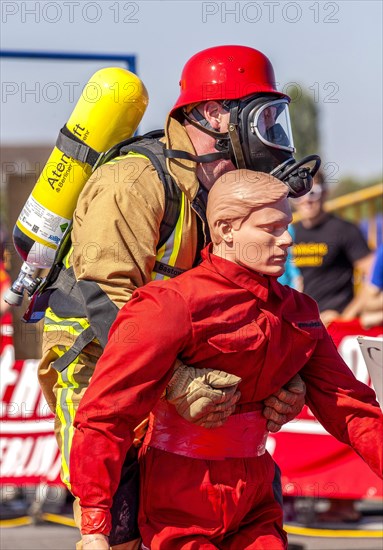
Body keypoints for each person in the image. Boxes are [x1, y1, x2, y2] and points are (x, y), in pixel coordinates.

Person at [37, 45, 318, 549]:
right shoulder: (133, 180)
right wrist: (176, 379)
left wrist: (282, 375)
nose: (271, 135)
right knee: (115, 525)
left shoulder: (221, 191)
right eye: (261, 117)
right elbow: (105, 294)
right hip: (99, 371)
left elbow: (246, 298)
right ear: (213, 114)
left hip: (173, 377)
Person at [70, 170, 383, 550]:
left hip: (257, 499)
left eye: (287, 226)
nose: (287, 239)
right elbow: (106, 414)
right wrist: (95, 524)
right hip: (178, 499)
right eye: (271, 227)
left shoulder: (299, 311)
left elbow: (352, 410)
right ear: (225, 229)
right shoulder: (170, 305)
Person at [292, 171, 374, 326]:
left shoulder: (345, 229)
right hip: (302, 323)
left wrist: (347, 315)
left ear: (325, 193)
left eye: (313, 193)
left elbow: (374, 275)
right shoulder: (289, 233)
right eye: (299, 193)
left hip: (333, 323)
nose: (306, 200)